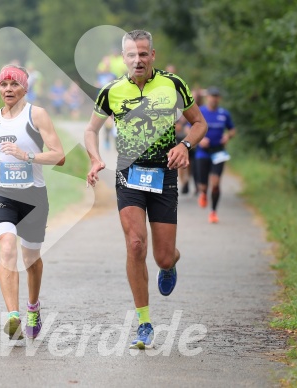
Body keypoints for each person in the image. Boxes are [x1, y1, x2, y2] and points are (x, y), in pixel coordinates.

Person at [84, 30, 207, 350]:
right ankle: (144, 323)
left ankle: (171, 263)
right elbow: (91, 130)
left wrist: (186, 146)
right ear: (122, 58)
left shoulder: (173, 84)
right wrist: (96, 158)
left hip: (164, 176)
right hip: (129, 174)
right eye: (131, 55)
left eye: (142, 54)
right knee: (136, 244)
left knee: (163, 257)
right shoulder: (110, 91)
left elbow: (199, 124)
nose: (137, 60)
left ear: (152, 55)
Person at [0, 65, 65, 339]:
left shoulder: (36, 115)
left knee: (31, 260)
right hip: (2, 194)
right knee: (6, 246)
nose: (8, 90)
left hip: (33, 196)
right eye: (3, 85)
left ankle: (33, 307)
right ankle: (13, 316)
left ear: (24, 88)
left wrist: (27, 156)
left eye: (14, 85)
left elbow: (59, 155)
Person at [196, 86, 236, 223]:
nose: (214, 98)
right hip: (203, 153)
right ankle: (202, 193)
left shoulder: (224, 113)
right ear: (207, 97)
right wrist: (200, 139)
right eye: (211, 96)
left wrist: (228, 136)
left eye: (216, 96)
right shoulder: (200, 112)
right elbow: (189, 127)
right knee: (203, 185)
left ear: (219, 98)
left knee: (216, 182)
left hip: (219, 151)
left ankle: (213, 212)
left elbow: (232, 130)